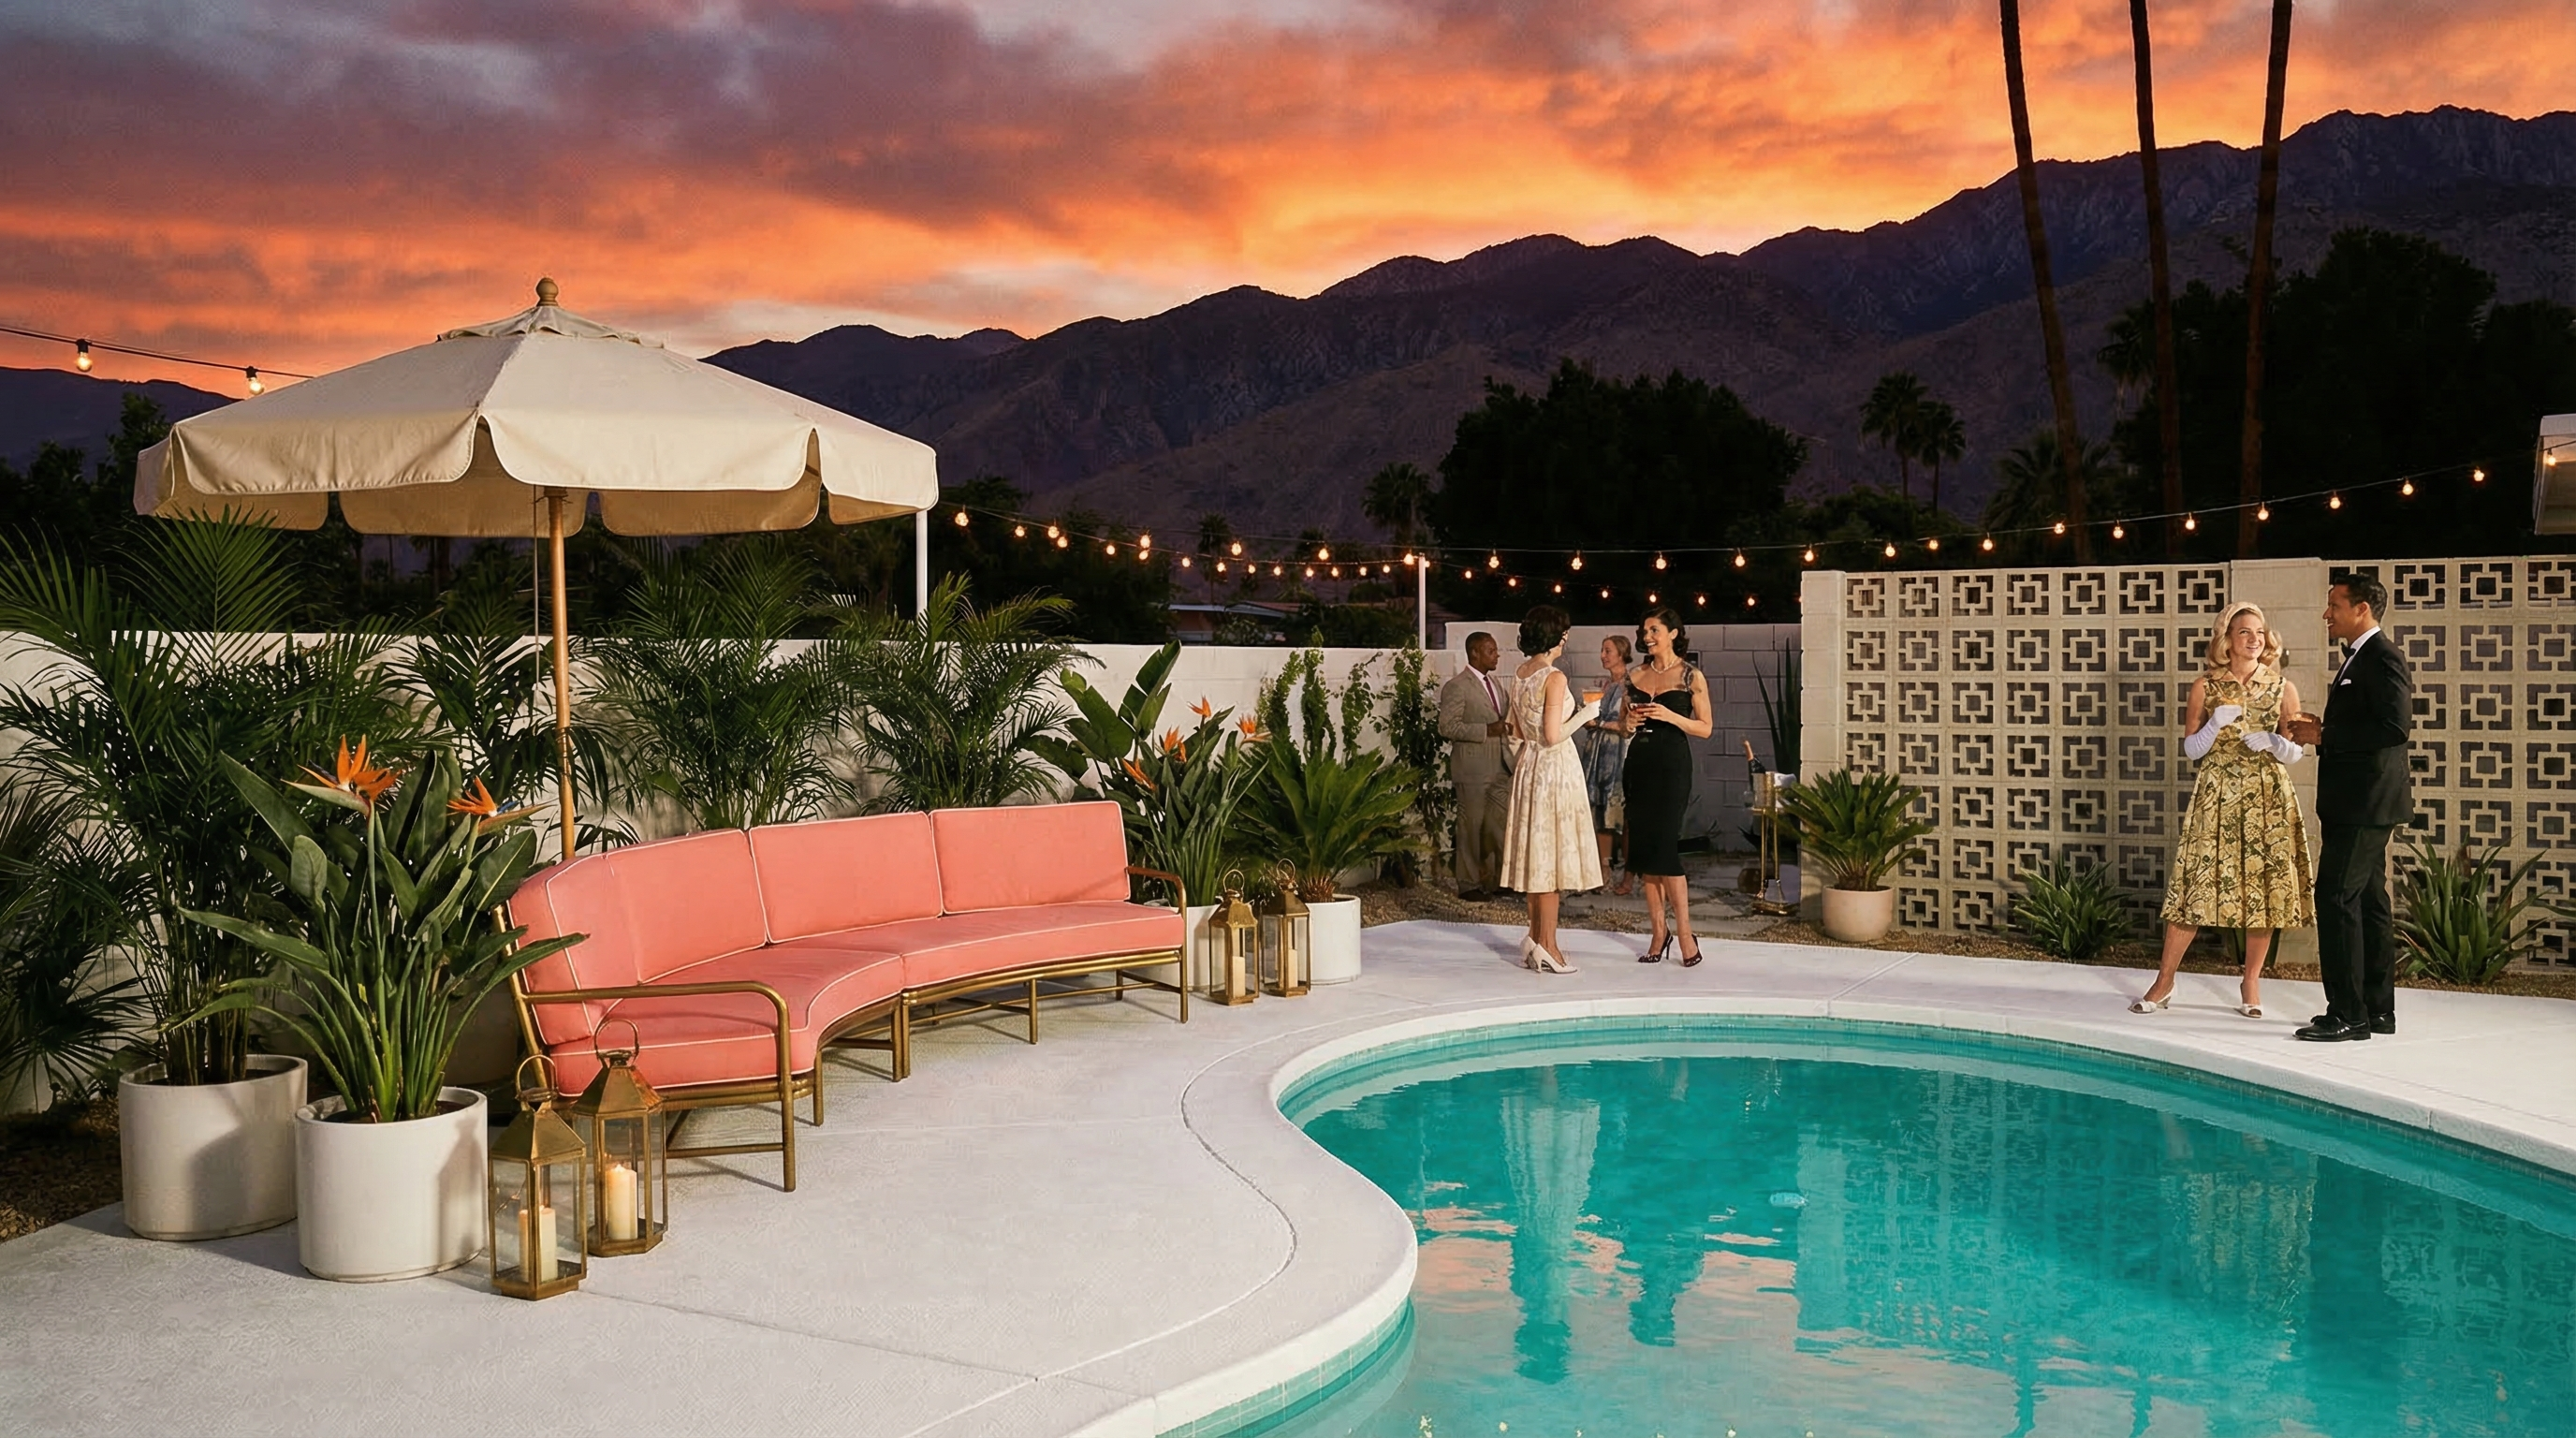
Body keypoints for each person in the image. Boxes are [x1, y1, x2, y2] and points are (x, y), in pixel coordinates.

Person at [2130, 602, 2315, 1018]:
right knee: (2196, 885)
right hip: (2216, 792)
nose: (2255, 639)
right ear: (2227, 640)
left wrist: (2274, 741)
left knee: (2263, 890)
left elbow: (2296, 752)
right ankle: (2165, 980)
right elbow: (2191, 748)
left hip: (2266, 796)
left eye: (2260, 633)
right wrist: (2214, 726)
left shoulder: (2282, 687)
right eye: (2245, 632)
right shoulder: (2205, 686)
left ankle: (2251, 982)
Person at [2282, 573, 2413, 1042]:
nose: (2326, 614)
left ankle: (2347, 1014)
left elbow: (2395, 728)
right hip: (2357, 802)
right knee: (2370, 902)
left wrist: (2326, 736)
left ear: (2361, 609)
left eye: (2334, 605)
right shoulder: (2360, 657)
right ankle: (2377, 1011)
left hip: (2365, 803)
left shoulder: (2382, 656)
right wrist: (2324, 727)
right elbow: (2368, 723)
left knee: (2335, 897)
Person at [1500, 606, 1603, 973]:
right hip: (1554, 769)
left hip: (1530, 767)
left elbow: (1513, 729)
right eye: (1564, 632)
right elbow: (1553, 734)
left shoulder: (1520, 673)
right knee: (1551, 859)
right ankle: (1549, 946)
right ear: (1556, 636)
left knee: (1536, 856)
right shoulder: (1554, 677)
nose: (1567, 639)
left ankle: (1533, 939)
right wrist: (1587, 716)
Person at [1624, 607, 1714, 965]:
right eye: (1644, 630)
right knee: (1646, 852)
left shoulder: (1691, 675)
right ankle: (1659, 933)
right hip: (1639, 763)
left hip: (1672, 765)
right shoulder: (1634, 674)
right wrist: (1630, 721)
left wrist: (1672, 716)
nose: (1647, 636)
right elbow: (1623, 727)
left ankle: (1686, 933)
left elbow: (1706, 728)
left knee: (1666, 850)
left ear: (1674, 633)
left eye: (1654, 629)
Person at [1438, 631, 1515, 900]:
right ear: (1475, 653)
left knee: (1499, 825)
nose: (1497, 655)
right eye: (1491, 650)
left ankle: (1498, 881)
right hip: (1471, 770)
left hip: (1500, 767)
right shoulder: (1457, 686)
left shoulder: (1496, 685)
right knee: (1471, 828)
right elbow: (1447, 726)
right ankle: (1469, 884)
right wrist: (1486, 730)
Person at [1580, 635, 1634, 896]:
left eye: (1608, 650)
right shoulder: (1607, 684)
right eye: (1602, 650)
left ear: (1622, 653)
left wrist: (1599, 724)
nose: (1603, 655)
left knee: (1619, 814)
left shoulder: (1628, 684)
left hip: (1617, 755)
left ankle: (1628, 874)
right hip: (1598, 754)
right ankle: (1603, 869)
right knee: (1600, 811)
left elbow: (1627, 727)